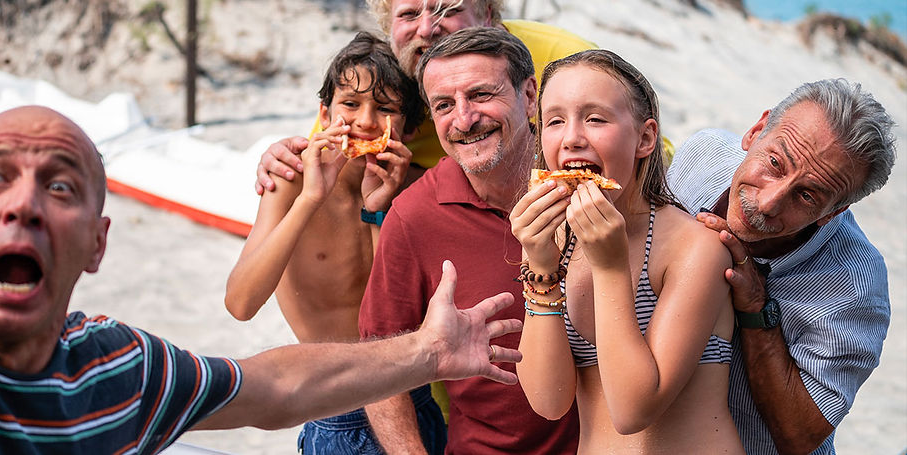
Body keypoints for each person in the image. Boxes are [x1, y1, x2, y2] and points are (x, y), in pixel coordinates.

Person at [0, 105, 524, 454]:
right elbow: (242, 301)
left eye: (60, 187)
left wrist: (430, 350)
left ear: (97, 243)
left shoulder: (116, 371)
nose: (24, 206)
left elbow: (274, 387)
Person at [358, 27, 580, 454]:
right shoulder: (414, 215)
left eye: (480, 95)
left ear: (530, 96)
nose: (464, 119)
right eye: (444, 105)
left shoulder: (584, 179)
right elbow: (378, 360)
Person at [510, 49, 744, 453]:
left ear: (646, 137)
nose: (572, 138)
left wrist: (610, 268)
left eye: (595, 118)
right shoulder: (555, 242)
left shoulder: (695, 248)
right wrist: (542, 267)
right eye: (555, 121)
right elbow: (549, 402)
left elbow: (634, 409)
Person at [223, 32, 444, 454]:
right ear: (324, 114)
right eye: (350, 104)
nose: (364, 121)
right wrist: (310, 199)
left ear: (410, 128)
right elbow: (240, 303)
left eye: (385, 109)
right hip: (336, 408)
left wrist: (380, 207)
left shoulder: (417, 189)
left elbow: (393, 318)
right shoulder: (289, 184)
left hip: (414, 399)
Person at [255, 0, 597, 190]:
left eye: (446, 9)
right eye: (407, 15)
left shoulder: (565, 61)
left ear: (488, 15)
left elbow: (641, 153)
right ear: (388, 26)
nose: (426, 28)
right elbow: (328, 167)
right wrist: (281, 160)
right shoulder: (378, 86)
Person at [665, 78, 896, 455]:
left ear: (833, 212)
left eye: (807, 196)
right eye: (774, 163)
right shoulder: (700, 157)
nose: (770, 202)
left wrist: (755, 305)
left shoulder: (855, 287)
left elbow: (800, 437)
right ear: (756, 131)